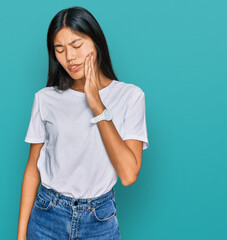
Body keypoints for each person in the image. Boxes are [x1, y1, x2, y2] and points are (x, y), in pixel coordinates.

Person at [17, 6, 149, 240]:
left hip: (99, 221)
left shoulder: (130, 96)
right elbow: (32, 170)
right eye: (60, 50)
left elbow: (128, 175)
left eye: (76, 46)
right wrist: (20, 236)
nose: (69, 57)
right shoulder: (45, 99)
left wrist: (97, 104)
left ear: (96, 41)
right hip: (48, 216)